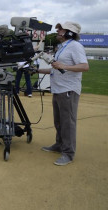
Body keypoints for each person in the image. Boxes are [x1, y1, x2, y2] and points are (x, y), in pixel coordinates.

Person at [37, 22, 89, 166]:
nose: (58, 31)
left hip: (68, 90)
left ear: (70, 33)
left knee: (68, 123)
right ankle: (59, 145)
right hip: (58, 89)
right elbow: (56, 69)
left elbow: (85, 66)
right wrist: (37, 71)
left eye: (61, 29)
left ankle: (68, 153)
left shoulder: (76, 46)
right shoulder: (61, 47)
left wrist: (63, 66)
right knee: (59, 121)